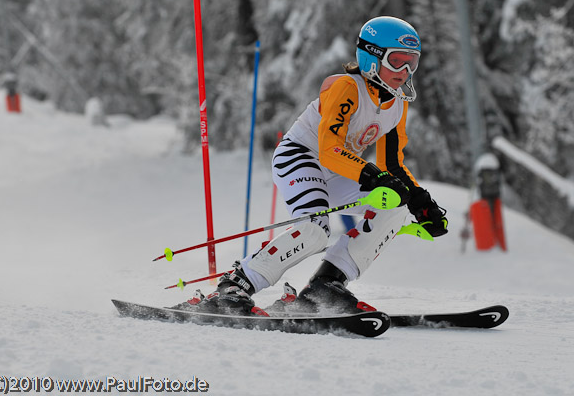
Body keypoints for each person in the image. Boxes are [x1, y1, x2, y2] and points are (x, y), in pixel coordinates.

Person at [176, 16, 448, 316]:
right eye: (397, 61)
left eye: (412, 63)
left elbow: (392, 165)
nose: (405, 71)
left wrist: (420, 201)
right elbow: (329, 150)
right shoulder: (348, 87)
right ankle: (235, 286)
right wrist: (371, 176)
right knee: (315, 231)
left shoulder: (397, 103)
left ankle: (325, 287)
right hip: (300, 157)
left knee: (396, 206)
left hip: (339, 171)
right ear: (371, 57)